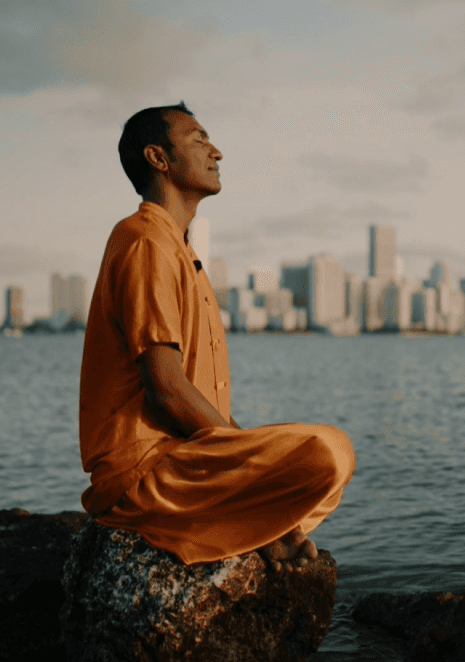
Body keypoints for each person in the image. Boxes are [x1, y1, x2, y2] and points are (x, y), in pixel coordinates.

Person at [78, 102, 355, 573]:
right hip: (146, 475)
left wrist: (246, 458)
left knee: (333, 462)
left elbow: (200, 399)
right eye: (199, 139)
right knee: (325, 452)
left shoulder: (183, 252)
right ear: (158, 158)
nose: (217, 152)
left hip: (188, 458)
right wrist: (249, 466)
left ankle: (252, 527)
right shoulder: (145, 242)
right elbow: (166, 389)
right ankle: (254, 524)